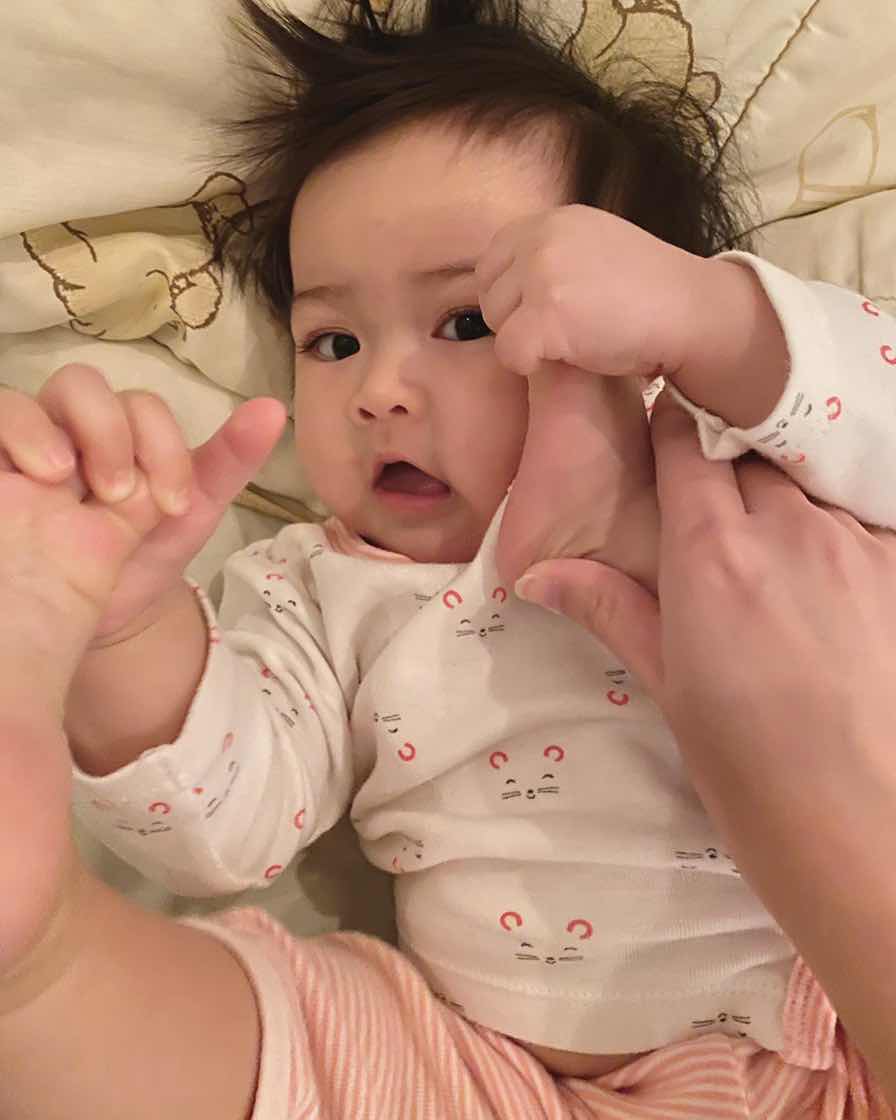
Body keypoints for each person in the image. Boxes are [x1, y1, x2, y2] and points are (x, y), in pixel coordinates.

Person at [0, 0, 894, 1114]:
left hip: (845, 1023)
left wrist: (718, 322)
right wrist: (129, 630)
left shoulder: (727, 473)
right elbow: (225, 834)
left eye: (466, 322)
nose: (378, 389)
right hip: (496, 1073)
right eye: (334, 340)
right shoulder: (324, 589)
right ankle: (37, 964)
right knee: (298, 1030)